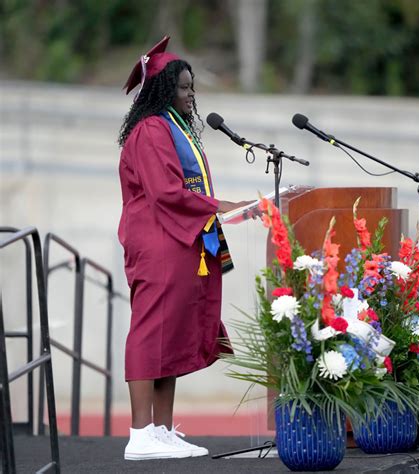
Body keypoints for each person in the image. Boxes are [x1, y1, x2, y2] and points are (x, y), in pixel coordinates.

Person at [117, 36, 249, 460]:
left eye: (192, 87)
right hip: (157, 242)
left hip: (177, 240)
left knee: (169, 333)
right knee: (150, 329)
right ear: (162, 90)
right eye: (183, 87)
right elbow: (166, 192)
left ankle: (160, 429)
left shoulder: (171, 127)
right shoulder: (151, 130)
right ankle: (140, 434)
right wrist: (223, 207)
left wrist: (219, 210)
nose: (191, 95)